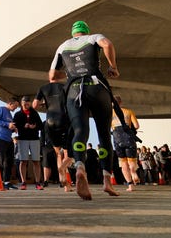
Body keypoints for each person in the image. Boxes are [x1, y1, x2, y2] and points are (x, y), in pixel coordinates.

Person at [49, 20, 120, 200]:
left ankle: (80, 168)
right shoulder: (94, 37)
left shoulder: (62, 46)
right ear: (86, 31)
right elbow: (108, 44)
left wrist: (70, 73)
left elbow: (51, 76)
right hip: (97, 86)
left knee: (80, 131)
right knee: (104, 134)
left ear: (73, 33)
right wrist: (113, 66)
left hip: (74, 90)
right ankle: (107, 181)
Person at [33, 79, 73, 191]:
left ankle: (64, 182)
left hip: (50, 121)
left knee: (58, 154)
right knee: (66, 152)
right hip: (64, 120)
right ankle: (65, 178)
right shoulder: (65, 86)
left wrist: (44, 103)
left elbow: (35, 105)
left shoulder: (43, 88)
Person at [13, 96, 44, 190]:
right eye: (24, 103)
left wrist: (34, 127)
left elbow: (41, 126)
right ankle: (23, 182)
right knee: (23, 161)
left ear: (30, 103)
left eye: (28, 103)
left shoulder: (35, 113)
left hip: (34, 139)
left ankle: (38, 182)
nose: (26, 105)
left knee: (36, 161)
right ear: (21, 104)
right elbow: (15, 126)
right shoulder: (18, 114)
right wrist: (23, 126)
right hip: (22, 139)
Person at [111, 95, 140, 191]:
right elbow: (136, 126)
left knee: (123, 164)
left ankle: (130, 185)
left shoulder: (109, 113)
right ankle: (133, 172)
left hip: (117, 139)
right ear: (121, 102)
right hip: (129, 138)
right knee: (131, 162)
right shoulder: (128, 111)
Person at [0, 97, 19, 190]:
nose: (16, 108)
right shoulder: (0, 109)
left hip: (8, 139)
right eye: (15, 106)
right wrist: (8, 124)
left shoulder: (10, 115)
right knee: (0, 160)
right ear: (10, 103)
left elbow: (8, 126)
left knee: (9, 161)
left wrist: (13, 129)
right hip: (0, 138)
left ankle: (7, 182)